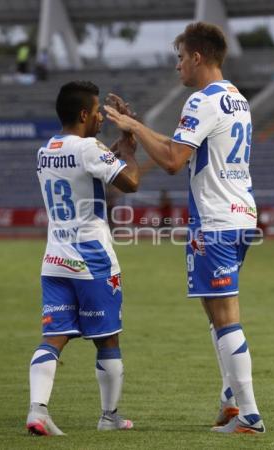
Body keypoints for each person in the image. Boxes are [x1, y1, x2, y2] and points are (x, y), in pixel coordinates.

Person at [105, 22, 265, 434]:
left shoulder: (201, 100)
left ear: (197, 57)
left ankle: (249, 415)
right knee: (215, 311)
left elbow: (174, 161)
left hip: (214, 219)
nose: (177, 66)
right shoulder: (237, 99)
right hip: (241, 214)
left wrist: (134, 128)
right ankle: (231, 402)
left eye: (179, 58)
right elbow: (182, 148)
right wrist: (136, 125)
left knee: (225, 316)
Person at [26, 81, 139, 436]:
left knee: (52, 338)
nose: (101, 119)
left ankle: (37, 410)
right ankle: (109, 417)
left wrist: (113, 153)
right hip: (92, 258)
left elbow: (84, 178)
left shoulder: (45, 151)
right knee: (108, 339)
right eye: (97, 113)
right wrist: (129, 151)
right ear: (82, 115)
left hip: (55, 258)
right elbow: (130, 182)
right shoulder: (89, 147)